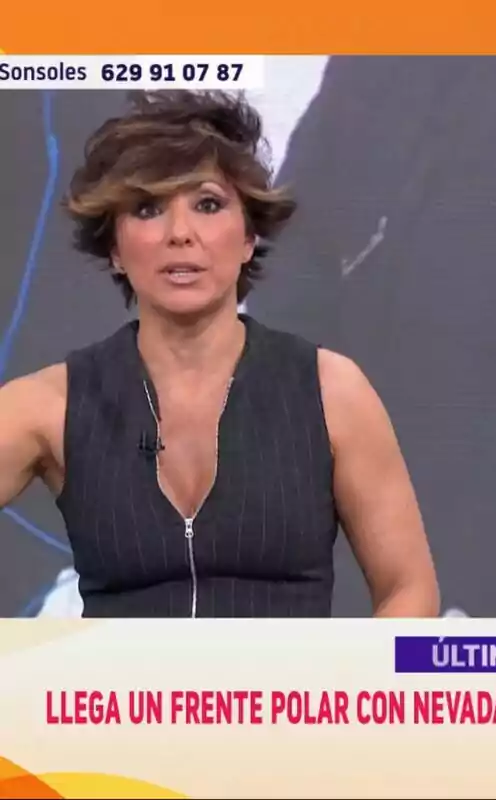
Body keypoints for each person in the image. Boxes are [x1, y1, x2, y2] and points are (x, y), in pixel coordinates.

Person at [0, 90, 440, 618]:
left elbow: (407, 590)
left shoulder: (331, 391)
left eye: (207, 204)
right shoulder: (47, 404)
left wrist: (339, 694)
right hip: (125, 698)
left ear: (249, 235)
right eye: (148, 208)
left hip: (286, 699)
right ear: (115, 247)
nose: (180, 234)